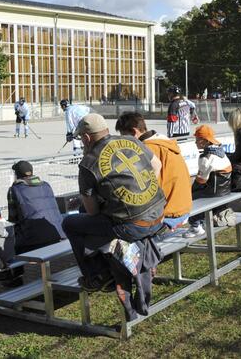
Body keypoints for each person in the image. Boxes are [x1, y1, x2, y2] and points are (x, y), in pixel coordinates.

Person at [62, 114, 165, 292]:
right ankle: (112, 261)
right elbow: (157, 165)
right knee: (86, 213)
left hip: (134, 226)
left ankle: (96, 276)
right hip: (159, 214)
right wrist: (142, 194)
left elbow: (92, 211)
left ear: (86, 138)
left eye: (81, 139)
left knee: (70, 224)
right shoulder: (131, 141)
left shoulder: (88, 163)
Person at [115, 112, 192, 230]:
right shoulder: (163, 142)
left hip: (170, 214)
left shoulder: (147, 149)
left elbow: (146, 190)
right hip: (183, 206)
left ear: (134, 132)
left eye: (124, 136)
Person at [184, 125, 233, 237]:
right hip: (225, 191)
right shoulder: (220, 152)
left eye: (197, 139)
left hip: (214, 193)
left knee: (189, 198)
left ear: (205, 141)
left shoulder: (206, 157)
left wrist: (190, 191)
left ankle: (195, 226)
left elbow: (201, 181)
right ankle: (200, 222)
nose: (195, 142)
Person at [7, 160, 65, 253]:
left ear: (17, 174)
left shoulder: (14, 189)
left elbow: (13, 218)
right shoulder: (46, 185)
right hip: (57, 232)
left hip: (33, 239)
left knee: (12, 246)